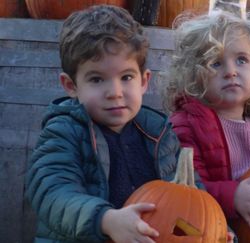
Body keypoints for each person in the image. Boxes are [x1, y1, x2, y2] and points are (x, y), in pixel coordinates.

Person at [24, 5, 209, 243]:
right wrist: (105, 219)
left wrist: (214, 230)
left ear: (144, 81)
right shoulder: (63, 133)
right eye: (97, 79)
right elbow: (52, 193)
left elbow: (193, 195)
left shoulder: (159, 133)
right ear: (71, 86)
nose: (115, 92)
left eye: (126, 77)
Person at [162, 10, 250, 233]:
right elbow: (186, 190)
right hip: (211, 229)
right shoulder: (186, 126)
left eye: (241, 60)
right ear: (194, 75)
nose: (231, 72)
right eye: (216, 63)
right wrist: (233, 196)